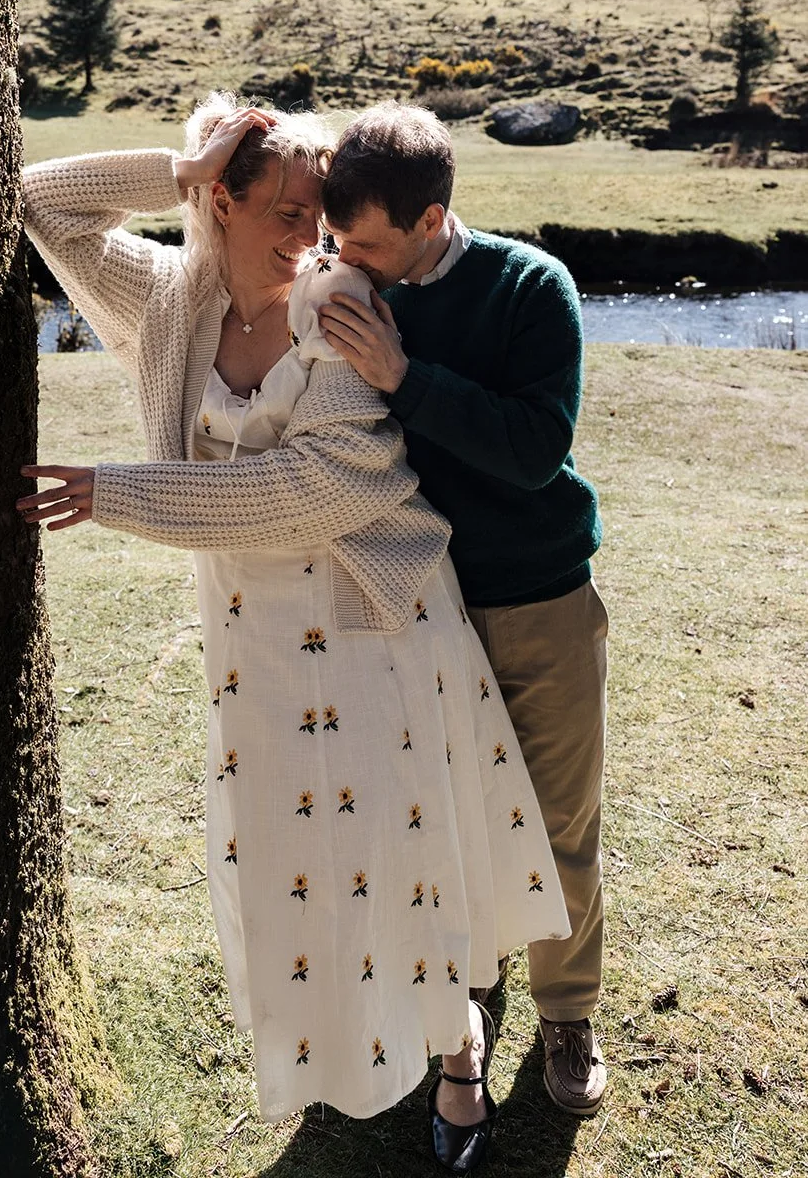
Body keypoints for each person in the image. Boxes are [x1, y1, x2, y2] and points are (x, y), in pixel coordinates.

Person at [16, 93, 569, 1167]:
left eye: (317, 213)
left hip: (372, 627)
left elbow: (316, 487)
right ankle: (339, 1059)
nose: (307, 236)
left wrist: (117, 494)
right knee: (289, 861)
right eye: (279, 210)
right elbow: (41, 204)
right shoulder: (168, 300)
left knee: (392, 856)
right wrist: (179, 166)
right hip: (250, 646)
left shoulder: (339, 305)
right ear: (217, 204)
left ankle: (454, 1054)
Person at [317, 103, 608, 1118]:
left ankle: (565, 1012)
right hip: (419, 608)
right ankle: (460, 1003)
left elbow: (534, 451)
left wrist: (403, 376)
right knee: (442, 816)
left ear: (431, 218)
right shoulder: (348, 283)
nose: (340, 259)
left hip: (537, 594)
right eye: (331, 237)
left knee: (558, 813)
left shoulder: (532, 288)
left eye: (362, 243)